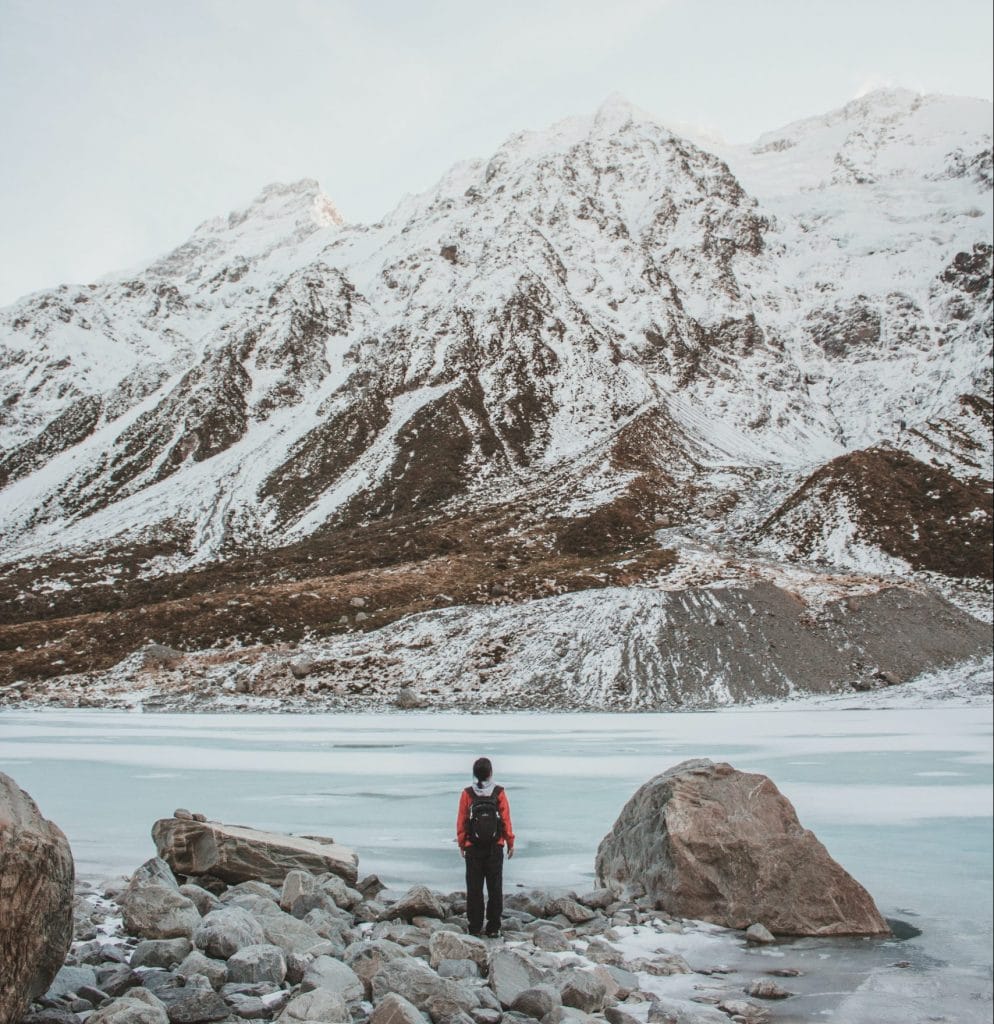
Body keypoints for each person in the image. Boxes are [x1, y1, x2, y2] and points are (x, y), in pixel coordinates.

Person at [456, 756, 515, 937]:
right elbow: (505, 820)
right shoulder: (499, 792)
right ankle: (493, 927)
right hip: (494, 847)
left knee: (474, 888)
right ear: (490, 773)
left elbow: (462, 820)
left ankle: (474, 926)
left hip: (473, 847)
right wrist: (510, 842)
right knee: (494, 887)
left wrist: (462, 843)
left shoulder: (467, 793)